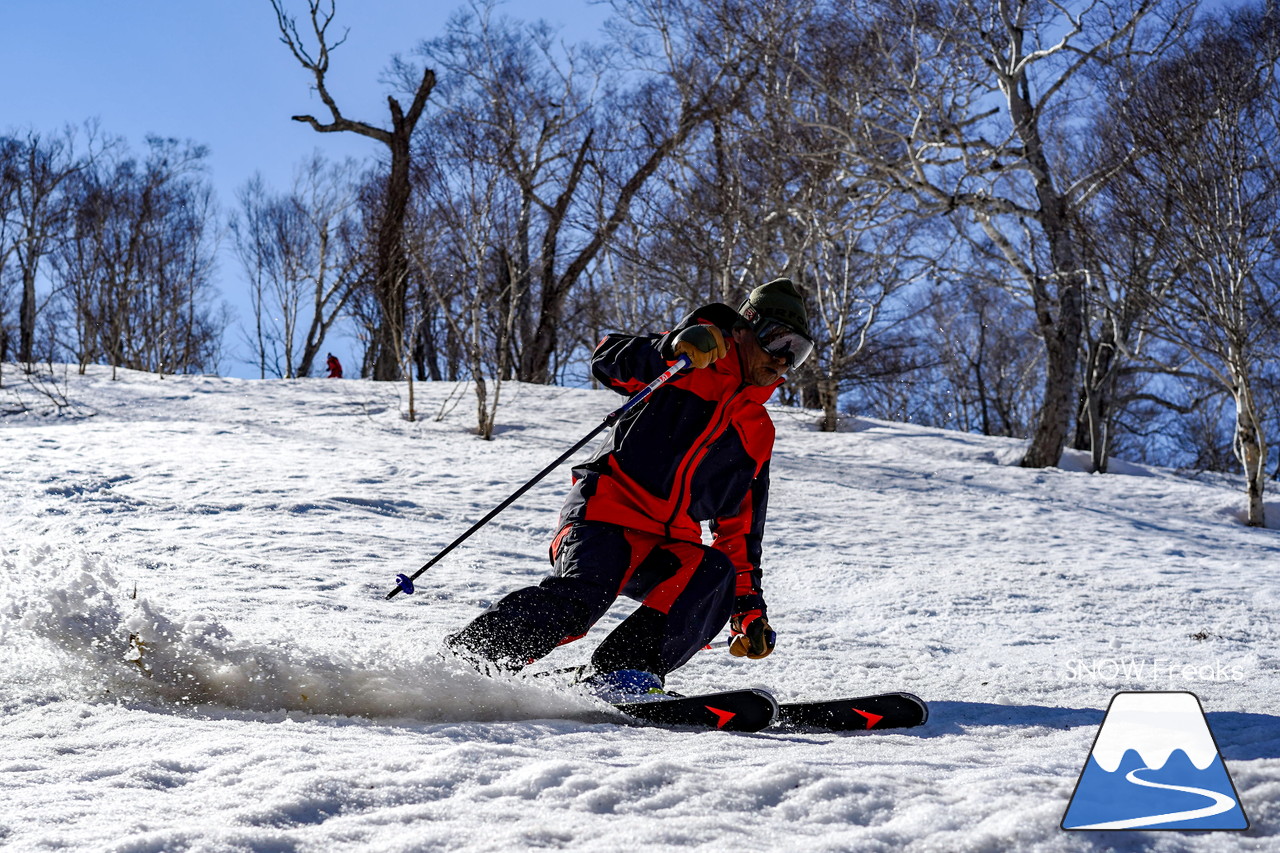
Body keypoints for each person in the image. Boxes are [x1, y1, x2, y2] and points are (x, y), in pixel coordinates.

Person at [444, 278, 814, 698]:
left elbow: (740, 529)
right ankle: (465, 664)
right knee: (583, 597)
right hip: (605, 515)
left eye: (797, 352)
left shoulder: (757, 430)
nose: (784, 359)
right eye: (777, 341)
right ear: (744, 329)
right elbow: (607, 358)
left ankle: (623, 672)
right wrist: (669, 349)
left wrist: (747, 608)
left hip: (668, 543)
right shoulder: (685, 365)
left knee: (714, 574)